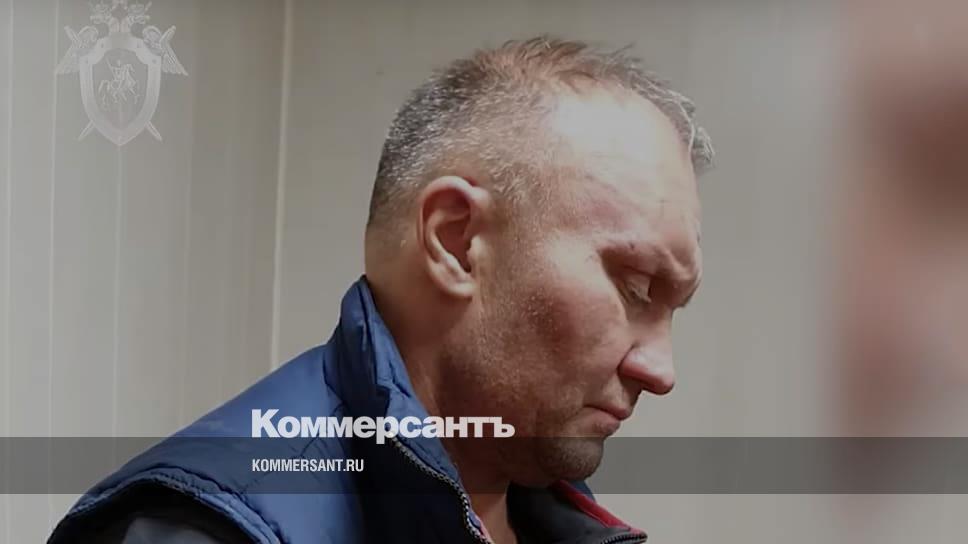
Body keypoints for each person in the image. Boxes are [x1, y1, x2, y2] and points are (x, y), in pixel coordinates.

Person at [49, 35, 713, 544]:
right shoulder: (207, 530)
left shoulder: (542, 499)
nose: (661, 371)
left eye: (673, 308)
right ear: (455, 241)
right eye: (635, 288)